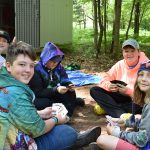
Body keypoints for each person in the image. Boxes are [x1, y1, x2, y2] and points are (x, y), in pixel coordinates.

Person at [0, 41, 101, 150]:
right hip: (16, 142)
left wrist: (67, 85)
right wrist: (56, 119)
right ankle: (75, 139)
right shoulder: (30, 79)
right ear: (9, 66)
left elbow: (15, 111)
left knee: (69, 94)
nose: (28, 70)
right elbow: (37, 127)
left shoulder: (7, 82)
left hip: (16, 129)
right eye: (22, 64)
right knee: (67, 131)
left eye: (31, 65)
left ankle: (69, 123)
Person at [90, 60, 150, 150]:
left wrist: (118, 134)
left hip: (145, 146)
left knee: (102, 140)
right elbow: (145, 123)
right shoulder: (147, 101)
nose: (143, 79)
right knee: (129, 129)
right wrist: (124, 121)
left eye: (149, 76)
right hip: (123, 101)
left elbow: (141, 139)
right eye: (141, 74)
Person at [90, 39, 148, 118]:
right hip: (120, 96)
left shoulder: (146, 65)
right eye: (126, 51)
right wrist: (108, 85)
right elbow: (106, 77)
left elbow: (147, 94)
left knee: (141, 106)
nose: (129, 54)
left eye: (132, 51)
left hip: (137, 99)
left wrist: (128, 91)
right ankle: (120, 114)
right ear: (123, 53)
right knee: (94, 90)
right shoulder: (120, 64)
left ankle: (108, 109)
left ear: (138, 52)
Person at [29, 42, 85, 117]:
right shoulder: (37, 70)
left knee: (71, 93)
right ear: (46, 59)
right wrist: (56, 90)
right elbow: (38, 92)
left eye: (57, 61)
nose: (55, 64)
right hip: (42, 95)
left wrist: (68, 84)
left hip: (56, 92)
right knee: (42, 103)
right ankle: (64, 107)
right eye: (53, 61)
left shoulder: (58, 67)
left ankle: (67, 115)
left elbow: (64, 78)